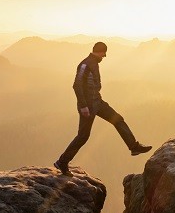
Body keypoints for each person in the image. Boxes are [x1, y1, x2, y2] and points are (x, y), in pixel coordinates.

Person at [54, 41, 152, 176]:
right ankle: (62, 162)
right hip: (88, 106)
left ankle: (134, 147)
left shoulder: (93, 63)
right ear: (99, 52)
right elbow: (77, 86)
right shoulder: (85, 65)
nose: (104, 56)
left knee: (118, 119)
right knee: (83, 136)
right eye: (104, 53)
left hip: (97, 102)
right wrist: (83, 106)